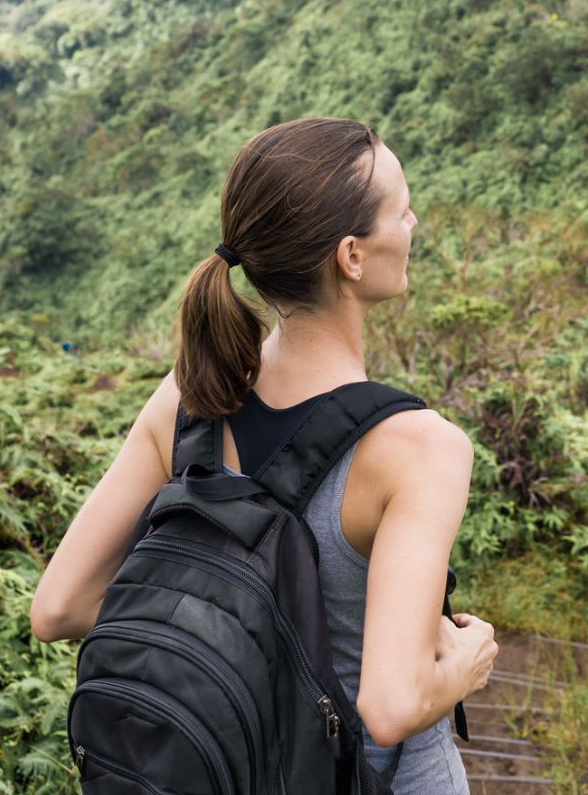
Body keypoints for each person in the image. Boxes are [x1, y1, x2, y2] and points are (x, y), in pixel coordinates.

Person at [29, 117, 496, 792]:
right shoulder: (420, 449)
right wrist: (466, 665)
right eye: (402, 209)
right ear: (352, 257)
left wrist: (239, 648)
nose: (414, 221)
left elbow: (59, 607)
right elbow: (390, 707)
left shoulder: (188, 397)